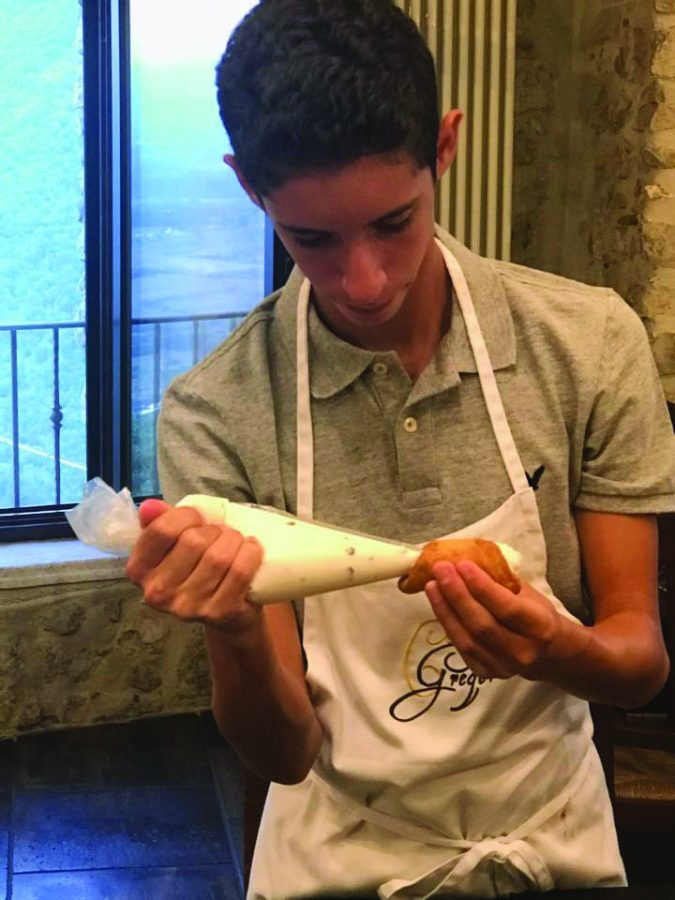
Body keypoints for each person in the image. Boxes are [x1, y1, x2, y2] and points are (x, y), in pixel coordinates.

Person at [125, 1, 675, 897]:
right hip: (340, 850)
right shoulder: (216, 412)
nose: (364, 282)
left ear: (444, 147)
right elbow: (285, 752)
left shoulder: (586, 345)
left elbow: (638, 663)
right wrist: (229, 627)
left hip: (552, 840)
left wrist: (553, 653)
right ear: (248, 186)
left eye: (392, 223)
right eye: (311, 240)